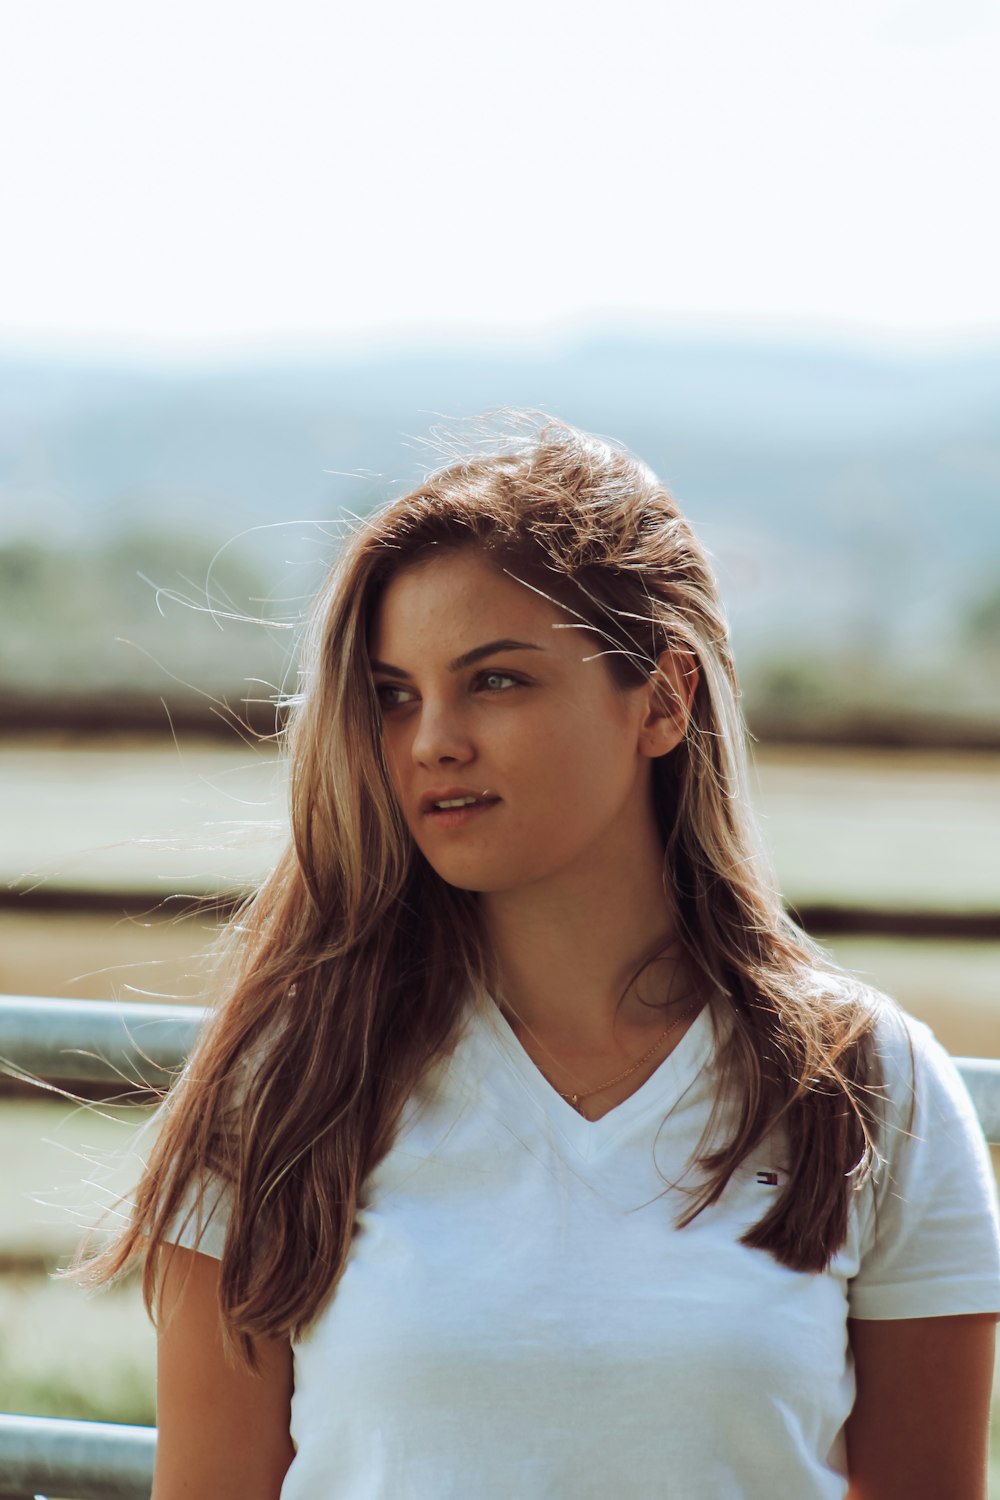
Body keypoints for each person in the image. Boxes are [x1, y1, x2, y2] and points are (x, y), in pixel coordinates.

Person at [84, 413, 1000, 1498]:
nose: (432, 741)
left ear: (663, 698)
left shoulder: (868, 1082)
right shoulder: (285, 1084)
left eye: (496, 680)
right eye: (393, 696)